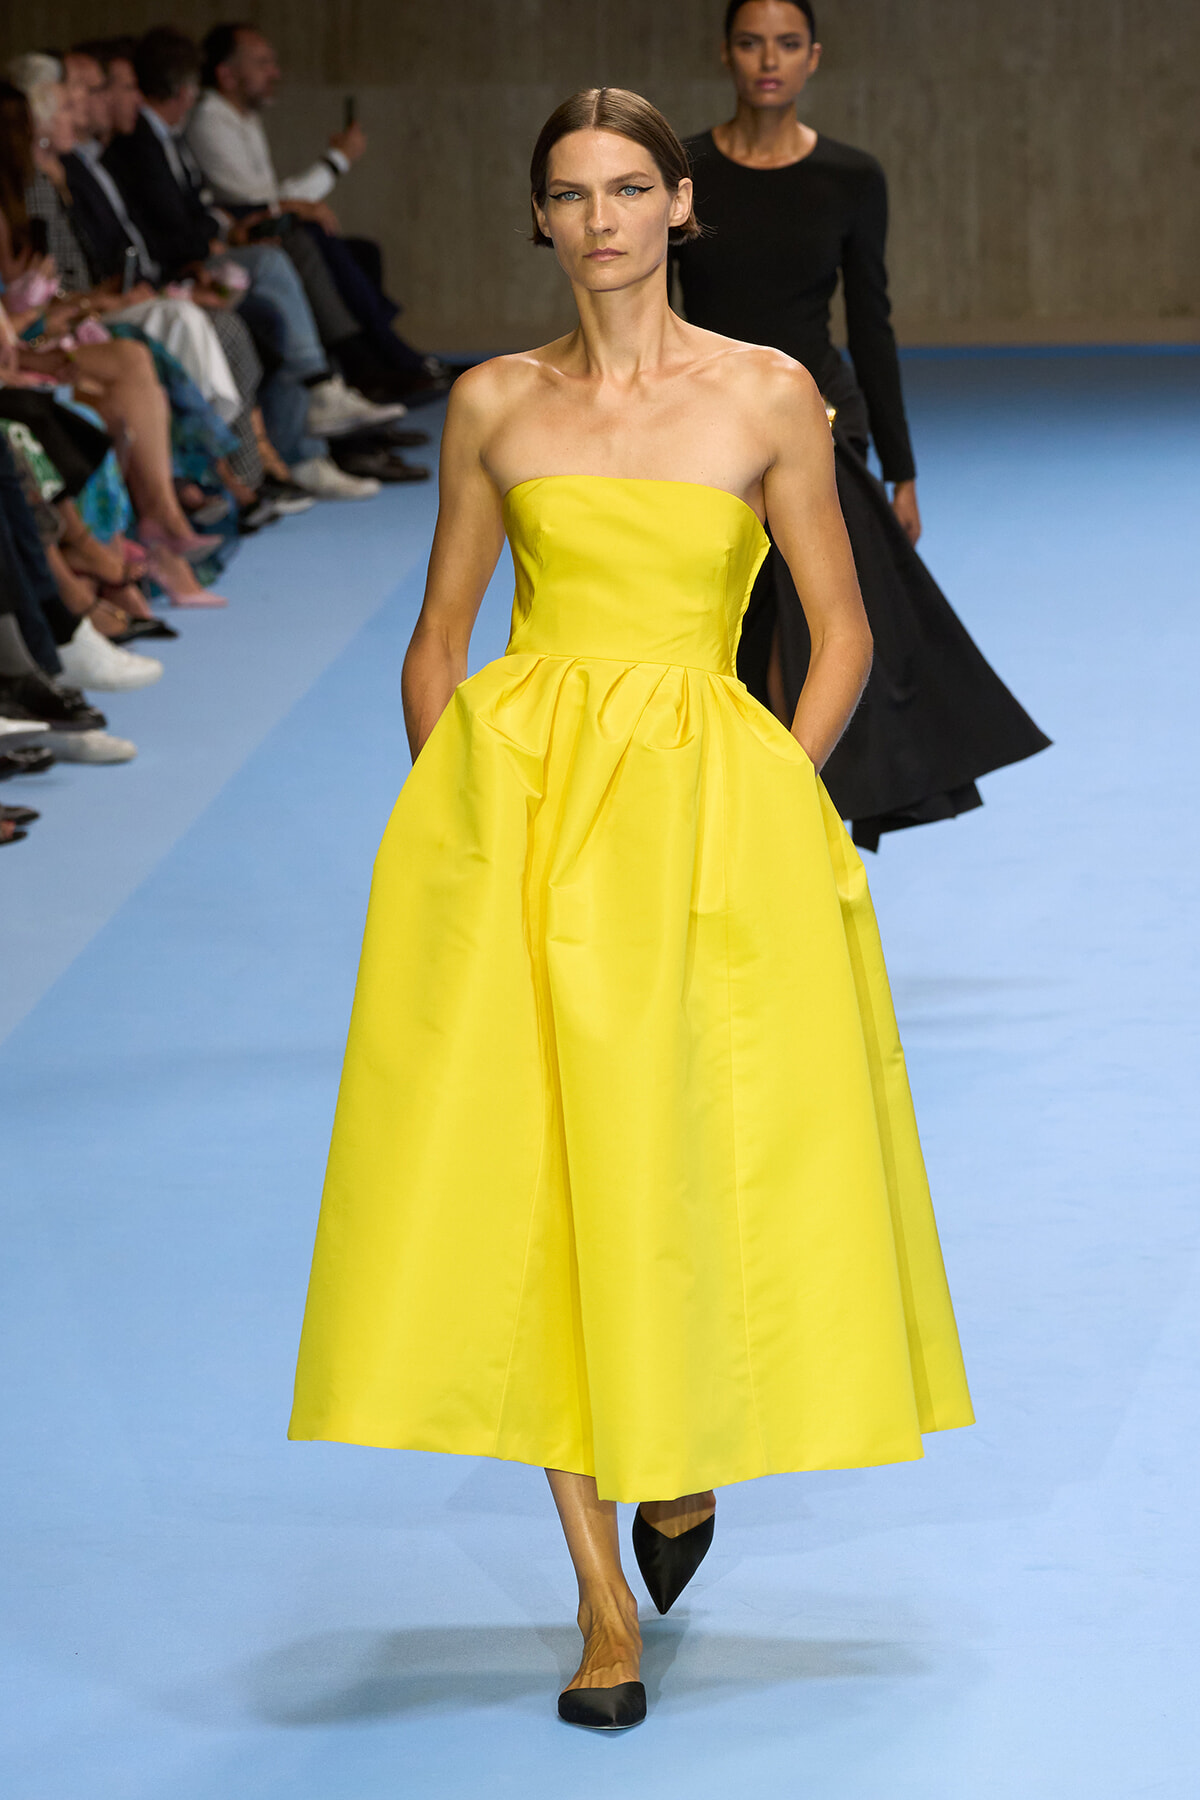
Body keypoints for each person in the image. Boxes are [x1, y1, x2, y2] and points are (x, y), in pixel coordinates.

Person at [288, 86, 973, 1731]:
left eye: (627, 187)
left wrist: (771, 804)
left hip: (699, 826)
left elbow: (839, 626)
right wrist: (454, 832)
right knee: (539, 1190)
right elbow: (441, 638)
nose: (599, 215)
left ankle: (677, 1475)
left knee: (678, 1167)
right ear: (539, 219)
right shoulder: (490, 406)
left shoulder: (769, 395)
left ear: (682, 207)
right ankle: (599, 1603)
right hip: (517, 829)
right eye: (568, 191)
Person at [673, 0, 1050, 849]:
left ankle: (777, 825)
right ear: (726, 54)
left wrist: (901, 469)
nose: (769, 59)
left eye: (788, 43)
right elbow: (655, 315)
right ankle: (738, 823)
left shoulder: (849, 177)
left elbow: (870, 321)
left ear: (815, 58)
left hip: (817, 423)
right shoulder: (683, 169)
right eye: (750, 42)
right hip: (705, 430)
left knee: (806, 631)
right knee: (725, 634)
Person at [101, 27, 399, 499]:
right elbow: (183, 223)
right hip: (165, 276)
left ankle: (313, 440)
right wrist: (216, 236)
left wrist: (217, 231)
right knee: (274, 279)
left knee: (288, 291)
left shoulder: (169, 138)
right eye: (263, 62)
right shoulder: (147, 141)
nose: (275, 73)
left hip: (195, 261)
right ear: (190, 88)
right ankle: (301, 425)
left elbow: (200, 212)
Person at [187, 22, 458, 405]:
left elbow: (268, 198)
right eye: (262, 63)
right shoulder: (208, 119)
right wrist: (335, 162)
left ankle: (377, 366)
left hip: (261, 226)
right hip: (242, 236)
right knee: (313, 237)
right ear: (226, 74)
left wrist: (312, 188)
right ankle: (377, 362)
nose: (275, 73)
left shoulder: (243, 118)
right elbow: (250, 201)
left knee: (363, 250)